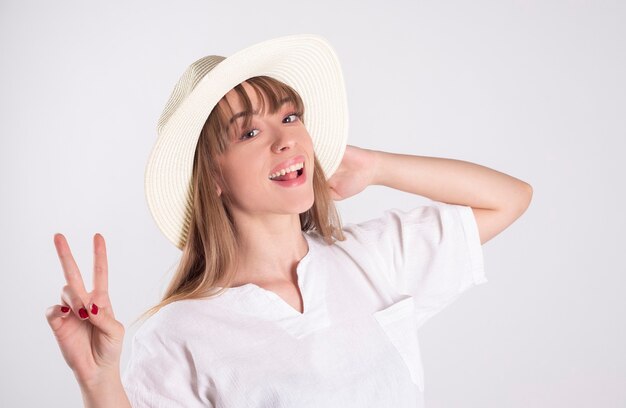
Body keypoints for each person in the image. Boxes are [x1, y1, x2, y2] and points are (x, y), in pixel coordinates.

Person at [45, 34, 532, 407]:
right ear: (211, 177)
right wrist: (98, 381)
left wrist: (379, 166)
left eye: (291, 116)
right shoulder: (178, 333)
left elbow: (509, 199)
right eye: (251, 131)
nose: (286, 140)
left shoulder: (372, 258)